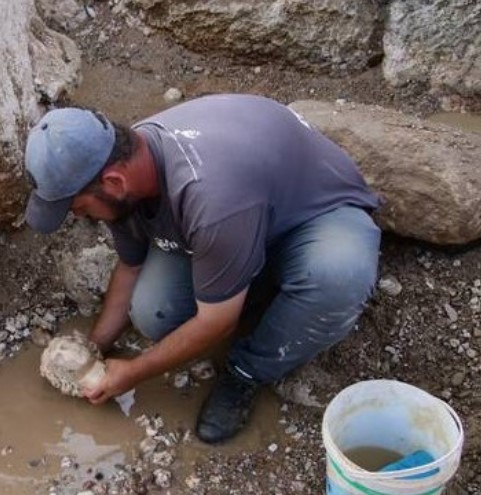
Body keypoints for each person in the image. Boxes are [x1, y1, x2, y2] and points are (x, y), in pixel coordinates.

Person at [22, 94, 381, 444]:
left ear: (115, 183)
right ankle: (246, 282)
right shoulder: (120, 163)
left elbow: (216, 322)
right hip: (237, 221)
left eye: (79, 208)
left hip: (312, 215)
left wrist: (132, 372)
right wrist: (93, 347)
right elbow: (131, 267)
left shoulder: (210, 199)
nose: (80, 216)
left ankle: (247, 371)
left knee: (338, 278)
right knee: (154, 313)